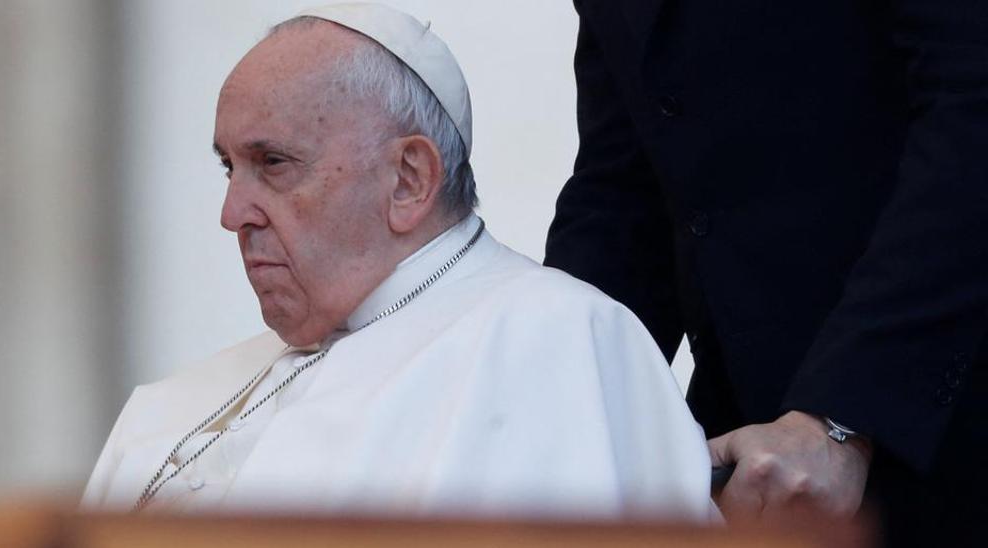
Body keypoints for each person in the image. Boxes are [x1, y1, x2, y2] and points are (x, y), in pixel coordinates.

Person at [82, 3, 713, 521]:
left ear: (409, 179)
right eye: (229, 166)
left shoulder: (554, 340)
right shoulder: (183, 398)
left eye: (273, 163)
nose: (232, 212)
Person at [543, 1, 987, 545]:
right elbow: (624, 183)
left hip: (933, 419)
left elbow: (972, 111)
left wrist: (841, 420)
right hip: (745, 451)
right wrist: (544, 398)